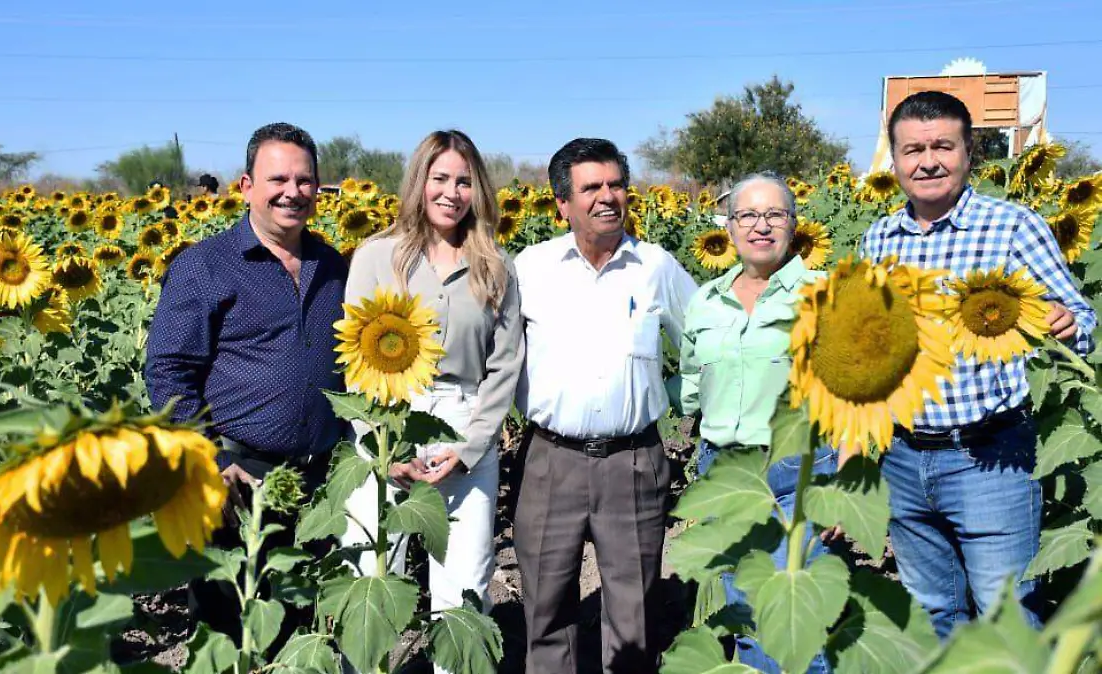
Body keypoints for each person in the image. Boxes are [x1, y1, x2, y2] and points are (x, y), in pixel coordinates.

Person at [860, 91, 1096, 638]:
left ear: (970, 154)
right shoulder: (879, 238)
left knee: (1006, 617)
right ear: (894, 161)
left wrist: (1066, 320)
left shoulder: (1013, 226)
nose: (927, 161)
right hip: (902, 456)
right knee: (930, 613)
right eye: (912, 149)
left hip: (989, 458)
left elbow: (1082, 320)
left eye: (943, 145)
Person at [145, 122, 348, 640]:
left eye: (305, 180)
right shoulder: (204, 266)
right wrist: (212, 460)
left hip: (317, 484)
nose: (292, 192)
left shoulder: (332, 264)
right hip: (235, 478)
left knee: (301, 631)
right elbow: (168, 372)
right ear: (246, 187)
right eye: (278, 178)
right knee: (229, 629)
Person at [339, 129, 524, 674]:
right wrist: (380, 447)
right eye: (440, 178)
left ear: (478, 189)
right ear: (419, 182)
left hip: (466, 425)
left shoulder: (495, 264)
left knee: (464, 585)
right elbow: (356, 357)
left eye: (463, 181)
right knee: (372, 575)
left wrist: (469, 448)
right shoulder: (377, 256)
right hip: (388, 421)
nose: (451, 192)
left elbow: (504, 364)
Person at [513, 138, 697, 673]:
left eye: (616, 184)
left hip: (634, 461)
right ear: (562, 204)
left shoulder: (655, 267)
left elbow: (705, 341)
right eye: (590, 187)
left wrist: (675, 400)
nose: (607, 197)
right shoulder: (531, 268)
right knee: (545, 612)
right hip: (550, 461)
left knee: (633, 611)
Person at [680, 172, 833, 673]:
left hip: (798, 475)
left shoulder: (822, 296)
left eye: (775, 215)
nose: (760, 226)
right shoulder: (706, 300)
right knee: (747, 613)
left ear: (794, 225)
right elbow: (690, 385)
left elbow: (854, 393)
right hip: (727, 474)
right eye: (748, 215)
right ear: (729, 225)